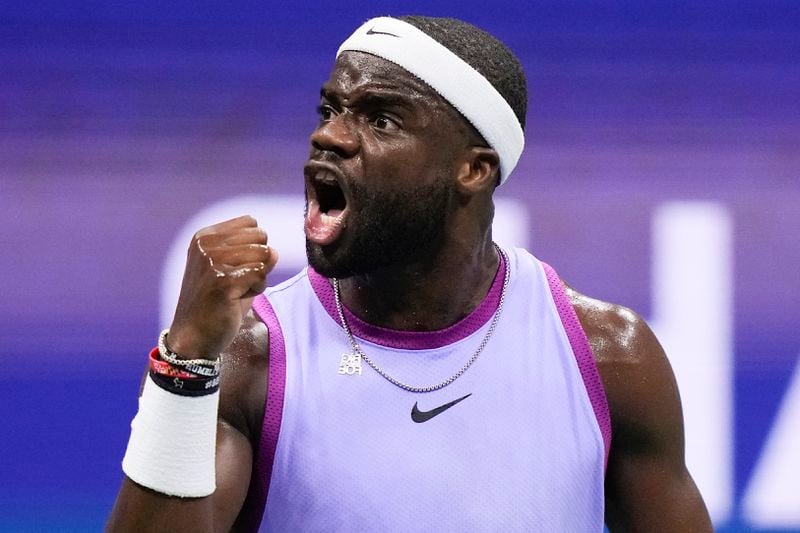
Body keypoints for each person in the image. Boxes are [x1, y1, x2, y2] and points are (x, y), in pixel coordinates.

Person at [107, 15, 713, 532]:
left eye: (382, 119)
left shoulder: (610, 359)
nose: (328, 135)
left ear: (473, 170)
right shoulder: (249, 362)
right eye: (330, 109)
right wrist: (184, 362)